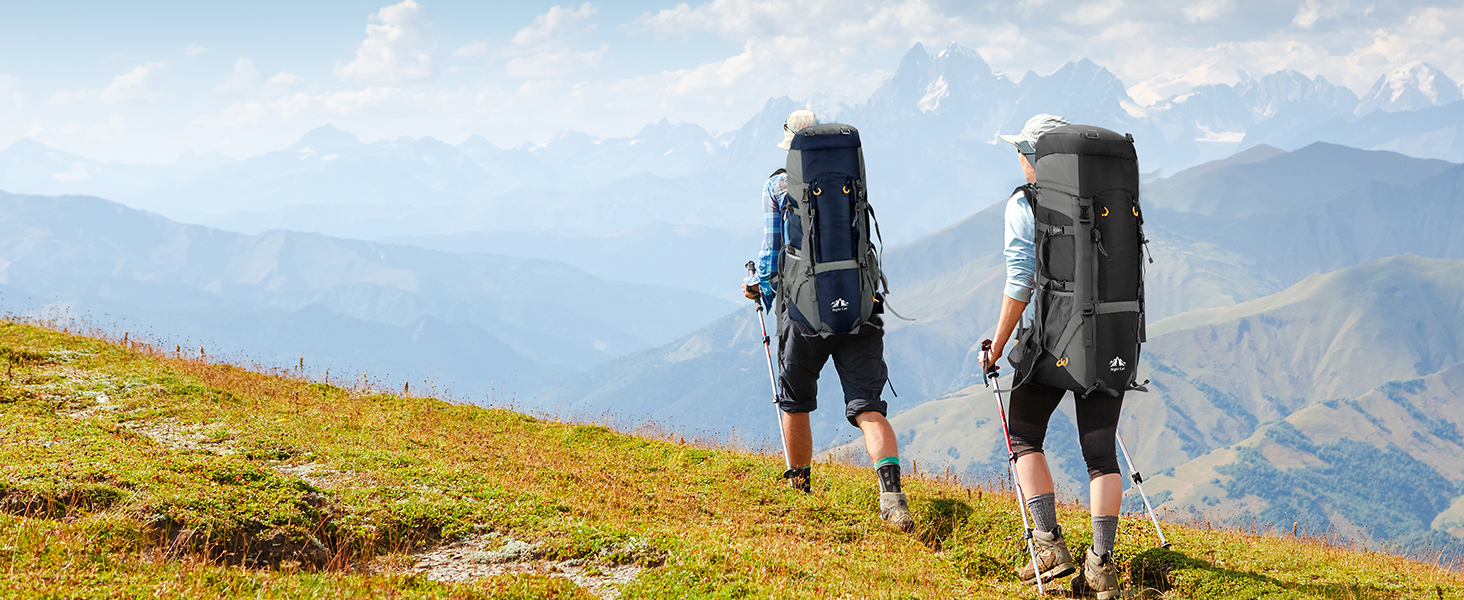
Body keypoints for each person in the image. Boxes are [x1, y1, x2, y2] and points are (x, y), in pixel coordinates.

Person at [742, 109, 914, 533]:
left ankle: (799, 489)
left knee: (795, 400)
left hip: (803, 308)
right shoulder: (852, 179)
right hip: (859, 304)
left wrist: (759, 288)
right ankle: (892, 499)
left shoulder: (778, 186)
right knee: (868, 406)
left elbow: (771, 253)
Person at [983, 114, 1126, 598]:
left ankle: (1049, 546)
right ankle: (1102, 564)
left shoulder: (1025, 203)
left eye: (1022, 151)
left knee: (1023, 435)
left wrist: (998, 344)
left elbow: (1020, 281)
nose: (1019, 159)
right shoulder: (1112, 198)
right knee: (1101, 454)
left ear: (1036, 156)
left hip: (1052, 340)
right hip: (1110, 336)